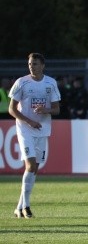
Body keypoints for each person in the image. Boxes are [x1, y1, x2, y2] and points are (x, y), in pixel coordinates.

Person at [8, 53, 61, 218]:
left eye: (35, 64)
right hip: (25, 129)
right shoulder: (21, 82)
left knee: (35, 168)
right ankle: (27, 206)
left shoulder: (50, 83)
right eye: (30, 63)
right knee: (30, 165)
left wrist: (46, 110)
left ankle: (19, 207)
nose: (32, 66)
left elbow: (56, 109)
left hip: (43, 129)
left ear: (42, 65)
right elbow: (12, 109)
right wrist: (29, 121)